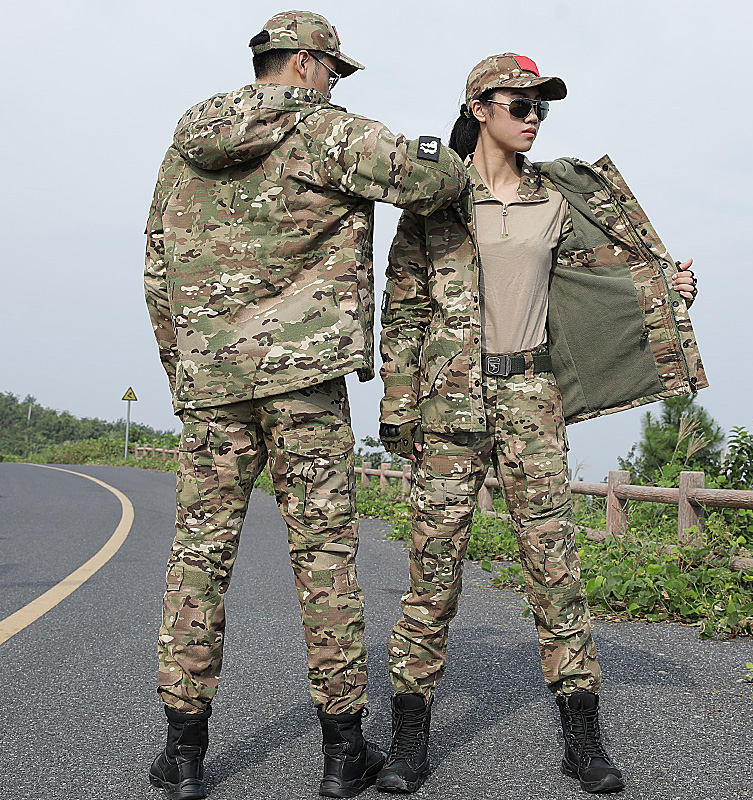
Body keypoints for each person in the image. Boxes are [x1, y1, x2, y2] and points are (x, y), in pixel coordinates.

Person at [144, 11, 467, 800]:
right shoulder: (331, 133)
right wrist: (444, 142)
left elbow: (156, 265)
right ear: (303, 63)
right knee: (323, 563)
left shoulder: (187, 144)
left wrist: (186, 369)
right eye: (334, 70)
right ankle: (340, 754)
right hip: (306, 386)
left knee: (198, 565)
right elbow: (440, 181)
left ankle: (184, 756)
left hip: (213, 387)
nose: (337, 83)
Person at [377, 53, 704, 794]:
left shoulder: (556, 197)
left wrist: (672, 293)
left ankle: (582, 738)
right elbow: (401, 312)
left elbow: (609, 277)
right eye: (518, 103)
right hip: (450, 407)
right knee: (432, 576)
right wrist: (402, 415)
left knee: (555, 571)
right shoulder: (435, 202)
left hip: (530, 397)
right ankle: (407, 738)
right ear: (479, 107)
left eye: (541, 107)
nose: (532, 116)